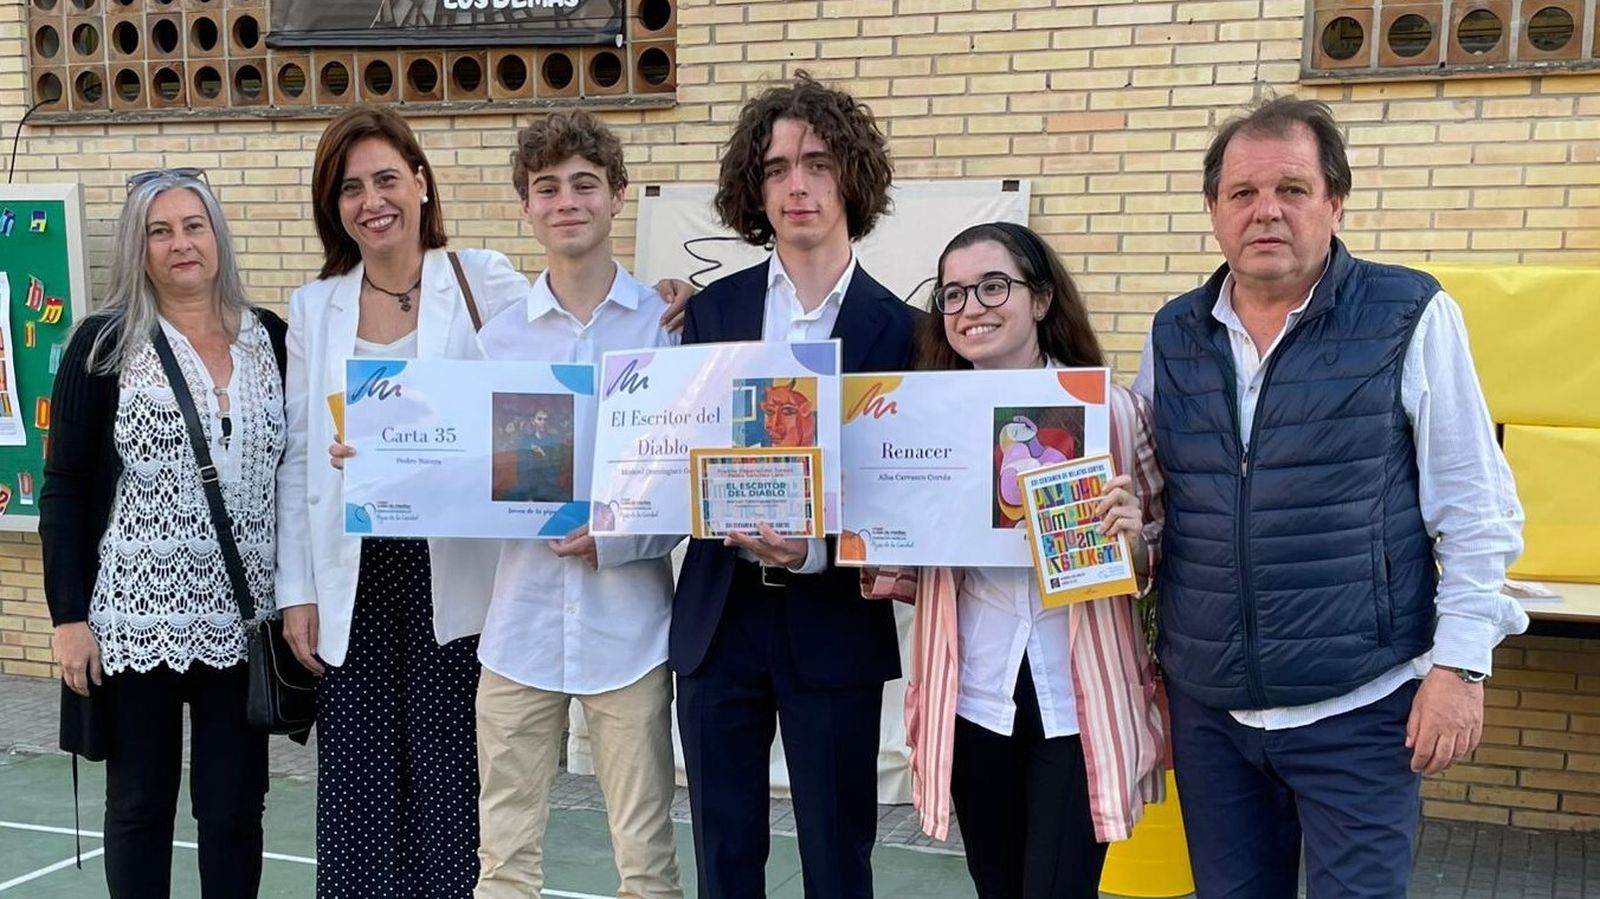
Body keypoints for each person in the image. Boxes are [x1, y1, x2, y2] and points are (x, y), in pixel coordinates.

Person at [1132, 96, 1528, 897]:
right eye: (1242, 193)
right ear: (1213, 210)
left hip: (1361, 709)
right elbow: (1163, 509)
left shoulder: (1408, 314)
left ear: (1335, 202)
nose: (1265, 211)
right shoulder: (1174, 333)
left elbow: (1478, 509)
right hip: (1213, 716)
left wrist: (1459, 667)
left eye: (1292, 189)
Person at [862, 222, 1167, 899]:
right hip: (974, 696)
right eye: (953, 294)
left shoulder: (1111, 412)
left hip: (1076, 698)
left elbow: (1163, 547)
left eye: (993, 285)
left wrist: (1138, 537)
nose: (971, 307)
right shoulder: (918, 421)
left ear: (1041, 298)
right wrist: (876, 516)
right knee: (996, 885)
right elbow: (900, 569)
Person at [672, 72, 920, 899]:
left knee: (837, 860)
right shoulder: (711, 313)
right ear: (756, 187)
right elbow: (668, 449)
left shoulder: (907, 332)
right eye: (776, 168)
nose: (797, 185)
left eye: (816, 162)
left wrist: (819, 551)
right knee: (724, 857)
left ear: (852, 175)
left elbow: (910, 489)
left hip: (834, 619)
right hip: (721, 617)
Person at [275, 105, 532, 899]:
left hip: (455, 578)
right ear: (334, 206)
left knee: (454, 792)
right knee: (357, 796)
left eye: (387, 177)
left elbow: (541, 404)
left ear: (420, 182)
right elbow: (294, 464)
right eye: (350, 187)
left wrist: (659, 295)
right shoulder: (315, 309)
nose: (371, 199)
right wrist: (299, 594)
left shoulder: (485, 279)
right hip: (355, 575)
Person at [42, 169, 287, 898]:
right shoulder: (105, 344)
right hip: (134, 613)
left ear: (218, 236)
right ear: (138, 248)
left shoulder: (271, 339)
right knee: (141, 806)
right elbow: (66, 486)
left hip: (242, 622)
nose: (181, 243)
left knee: (235, 809)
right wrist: (67, 618)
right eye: (160, 230)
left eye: (194, 225)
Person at [470, 109, 683, 899]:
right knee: (504, 861)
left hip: (629, 629)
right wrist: (381, 463)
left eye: (585, 183)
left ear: (617, 195)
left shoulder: (668, 331)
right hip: (518, 625)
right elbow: (457, 472)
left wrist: (617, 536)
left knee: (647, 862)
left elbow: (688, 486)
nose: (568, 201)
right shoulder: (495, 343)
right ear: (527, 206)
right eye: (547, 187)